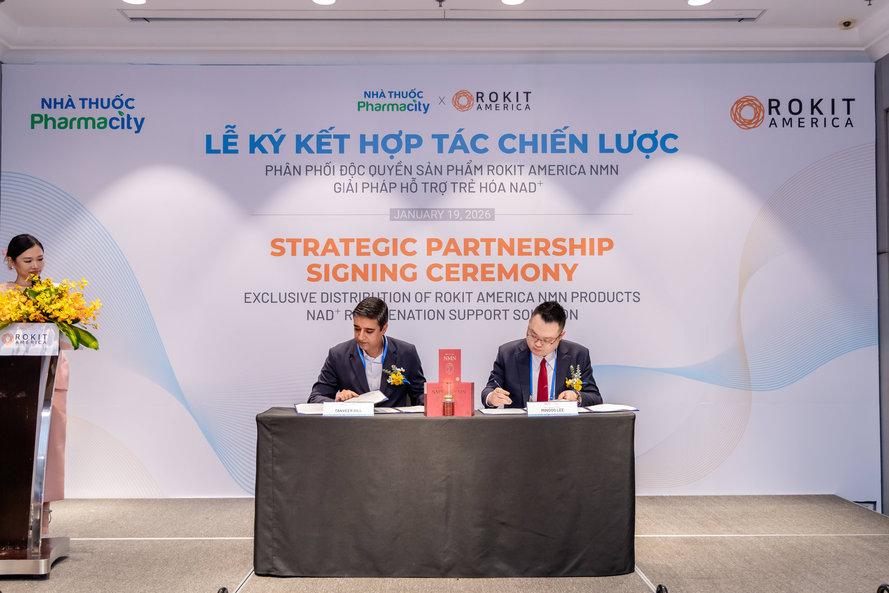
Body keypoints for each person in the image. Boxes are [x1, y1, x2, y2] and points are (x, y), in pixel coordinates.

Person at [3, 234, 68, 534]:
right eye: (27, 260)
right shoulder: (3, 295)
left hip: (48, 379)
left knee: (48, 447)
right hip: (11, 385)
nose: (35, 266)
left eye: (40, 259)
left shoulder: (55, 295)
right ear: (11, 262)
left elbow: (66, 341)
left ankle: (42, 516)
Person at [481, 301, 602, 409]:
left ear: (560, 336)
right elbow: (489, 389)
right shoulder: (508, 354)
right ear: (529, 324)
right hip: (520, 425)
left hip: (563, 425)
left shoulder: (578, 355)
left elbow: (595, 397)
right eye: (533, 335)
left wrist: (576, 396)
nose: (537, 344)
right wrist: (491, 397)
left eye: (547, 340)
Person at [309, 297, 426, 407]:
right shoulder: (338, 355)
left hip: (394, 421)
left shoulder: (406, 353)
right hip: (354, 421)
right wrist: (337, 402)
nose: (360, 337)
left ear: (384, 329)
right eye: (357, 329)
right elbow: (315, 398)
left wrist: (432, 399)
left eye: (369, 331)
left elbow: (420, 394)